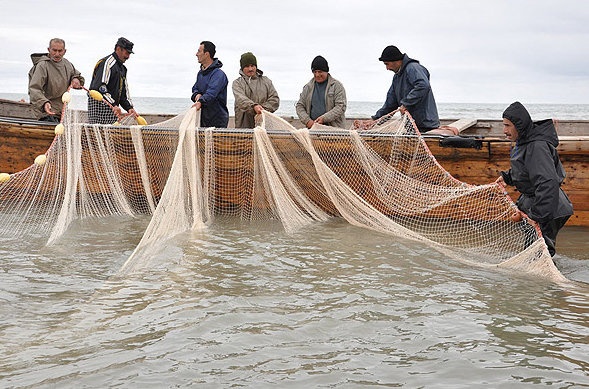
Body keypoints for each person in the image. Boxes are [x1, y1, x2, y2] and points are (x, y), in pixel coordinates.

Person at [497, 101, 573, 257]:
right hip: (541, 204)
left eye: (508, 125)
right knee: (533, 251)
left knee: (538, 254)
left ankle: (551, 281)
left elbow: (547, 182)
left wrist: (537, 215)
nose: (504, 130)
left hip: (549, 207)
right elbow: (527, 170)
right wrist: (508, 178)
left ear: (519, 125)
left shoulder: (537, 146)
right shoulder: (524, 142)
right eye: (503, 125)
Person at [371, 45, 439, 132]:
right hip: (412, 126)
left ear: (396, 60)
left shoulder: (413, 68)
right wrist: (375, 120)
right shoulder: (397, 77)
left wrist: (406, 104)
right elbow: (390, 104)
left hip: (426, 125)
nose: (387, 68)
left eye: (387, 64)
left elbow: (423, 85)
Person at [28, 38, 84, 122]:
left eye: (60, 51)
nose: (57, 54)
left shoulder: (67, 64)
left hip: (61, 111)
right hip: (44, 112)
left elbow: (78, 76)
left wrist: (76, 79)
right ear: (48, 49)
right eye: (54, 50)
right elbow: (34, 89)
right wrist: (44, 103)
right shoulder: (42, 66)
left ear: (65, 51)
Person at [88, 37, 137, 124]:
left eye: (130, 54)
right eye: (127, 53)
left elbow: (123, 93)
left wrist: (129, 108)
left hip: (113, 112)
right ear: (118, 49)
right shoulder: (107, 63)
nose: (128, 56)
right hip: (98, 111)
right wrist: (113, 104)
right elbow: (100, 87)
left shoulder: (123, 69)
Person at [295, 55, 347, 129]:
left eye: (320, 72)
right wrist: (308, 121)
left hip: (334, 130)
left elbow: (341, 107)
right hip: (313, 130)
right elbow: (300, 106)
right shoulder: (308, 87)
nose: (317, 75)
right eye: (315, 72)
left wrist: (324, 118)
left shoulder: (337, 86)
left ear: (326, 71)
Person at [232, 52, 280, 128]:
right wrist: (254, 107)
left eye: (252, 66)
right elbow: (241, 100)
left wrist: (262, 110)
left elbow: (275, 99)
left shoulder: (266, 81)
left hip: (264, 125)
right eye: (247, 66)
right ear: (242, 68)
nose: (250, 69)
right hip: (244, 126)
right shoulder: (237, 83)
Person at [191, 41, 229, 128]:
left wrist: (200, 101)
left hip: (217, 121)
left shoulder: (219, 74)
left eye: (199, 51)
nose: (196, 54)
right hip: (204, 119)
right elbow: (195, 88)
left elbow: (211, 93)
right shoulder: (200, 74)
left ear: (206, 54)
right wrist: (197, 95)